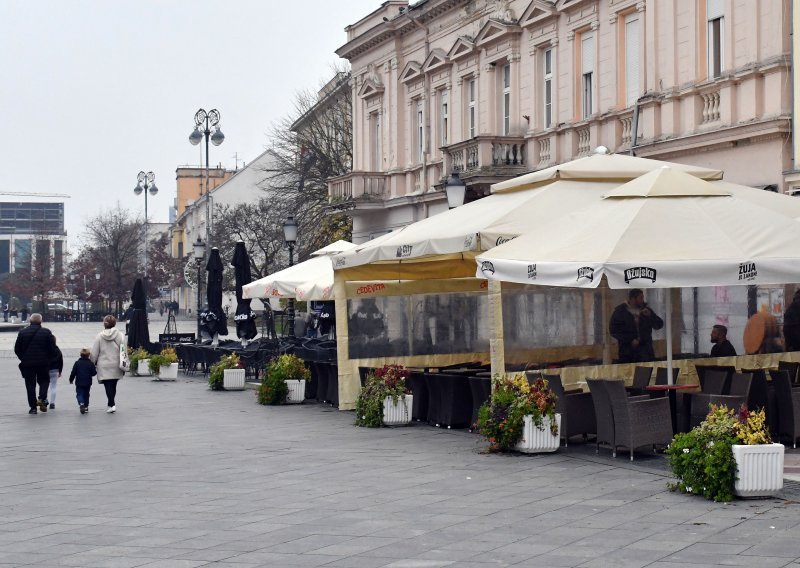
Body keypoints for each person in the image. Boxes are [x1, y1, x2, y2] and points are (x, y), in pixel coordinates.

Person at [14, 313, 57, 414]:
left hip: (28, 364)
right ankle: (42, 398)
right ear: (41, 321)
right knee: (44, 381)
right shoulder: (46, 332)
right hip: (43, 363)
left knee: (30, 385)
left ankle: (33, 407)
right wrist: (48, 359)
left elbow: (17, 349)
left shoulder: (22, 332)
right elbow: (52, 349)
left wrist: (23, 358)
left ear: (30, 321)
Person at [609, 289, 664, 363]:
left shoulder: (646, 310)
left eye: (643, 298)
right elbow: (614, 330)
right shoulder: (620, 312)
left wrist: (651, 316)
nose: (642, 300)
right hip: (627, 352)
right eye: (640, 298)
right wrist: (630, 340)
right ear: (632, 299)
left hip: (645, 351)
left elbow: (659, 325)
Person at [90, 314, 125, 413]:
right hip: (116, 363)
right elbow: (123, 350)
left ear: (104, 324)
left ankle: (111, 403)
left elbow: (94, 352)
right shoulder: (120, 335)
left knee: (108, 385)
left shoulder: (100, 336)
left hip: (104, 364)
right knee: (113, 384)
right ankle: (111, 403)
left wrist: (92, 362)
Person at [69, 348, 97, 414]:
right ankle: (86, 407)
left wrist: (71, 379)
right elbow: (94, 373)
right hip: (88, 382)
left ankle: (81, 403)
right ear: (88, 355)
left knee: (79, 393)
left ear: (80, 355)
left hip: (79, 381)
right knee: (86, 394)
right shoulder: (90, 363)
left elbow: (73, 372)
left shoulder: (77, 363)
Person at [48, 337, 63, 409]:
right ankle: (52, 403)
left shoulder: (45, 349)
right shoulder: (57, 350)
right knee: (53, 387)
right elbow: (61, 361)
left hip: (46, 370)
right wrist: (60, 371)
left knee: (44, 386)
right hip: (55, 370)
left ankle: (44, 400)